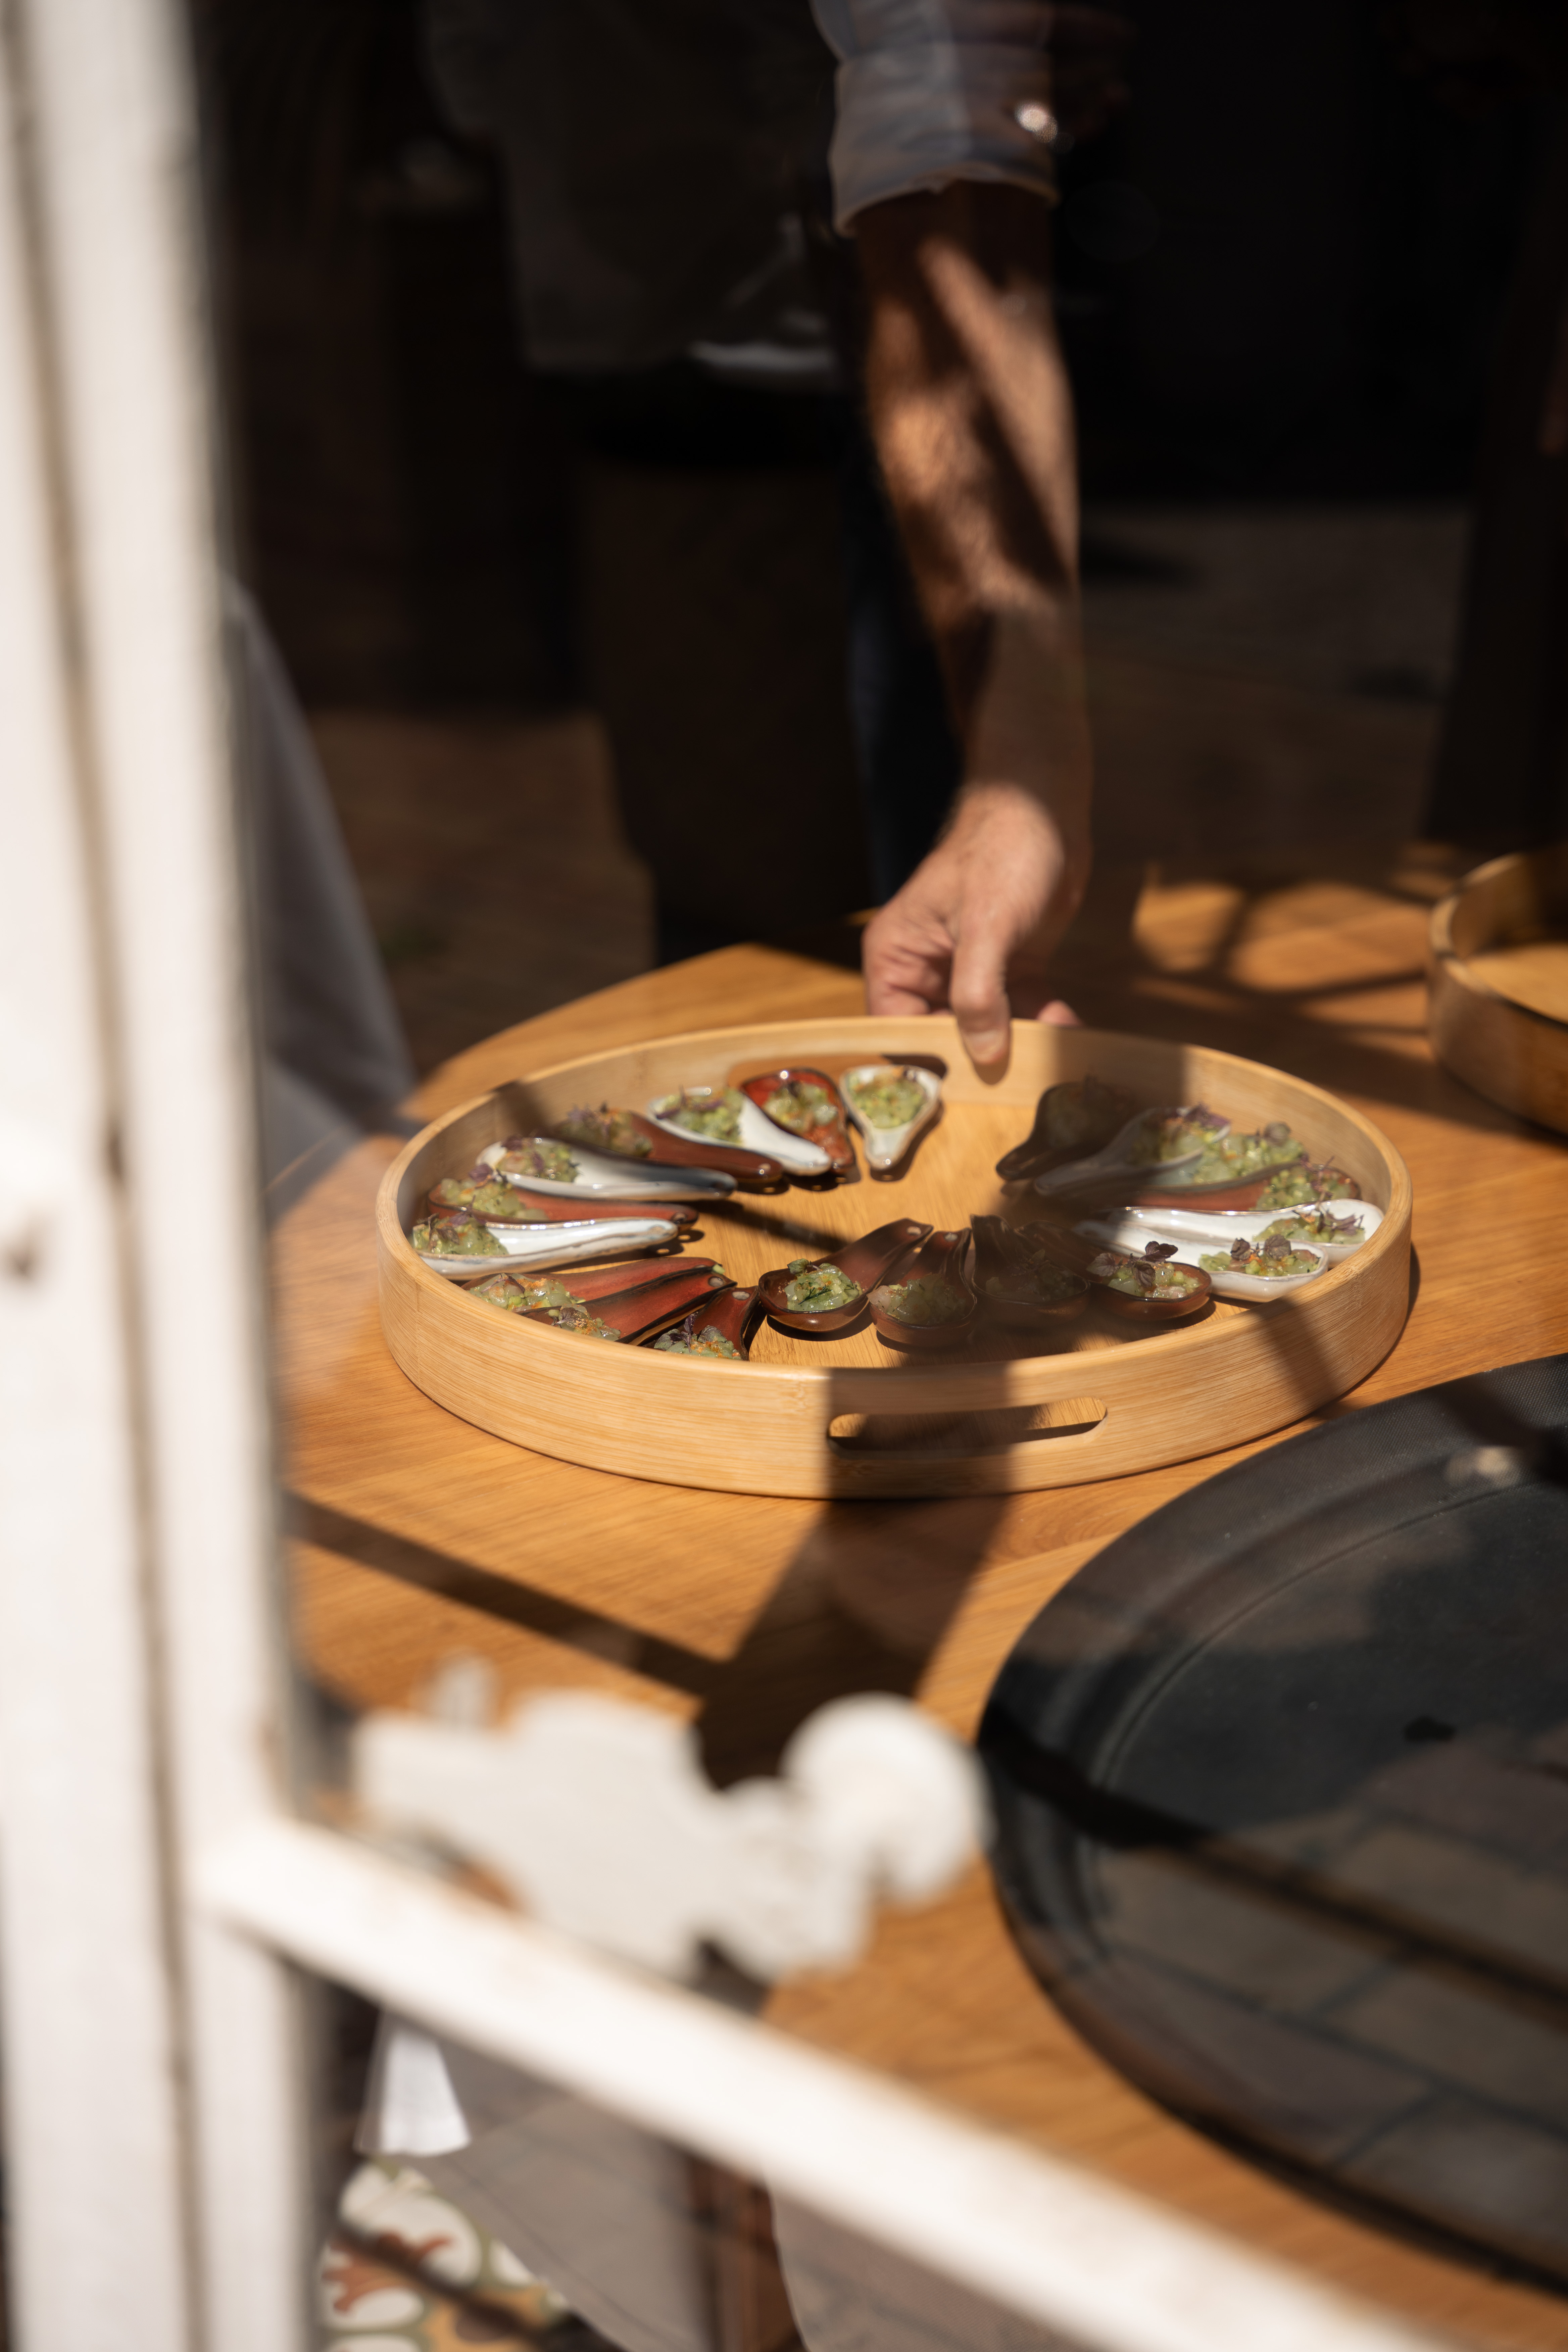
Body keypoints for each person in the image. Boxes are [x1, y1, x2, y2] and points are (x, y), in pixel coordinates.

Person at [424, 0, 1129, 1071]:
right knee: (747, 933)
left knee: (968, 930)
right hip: (702, 371)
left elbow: (955, 119)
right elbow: (943, 136)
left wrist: (1021, 777)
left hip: (721, 353)